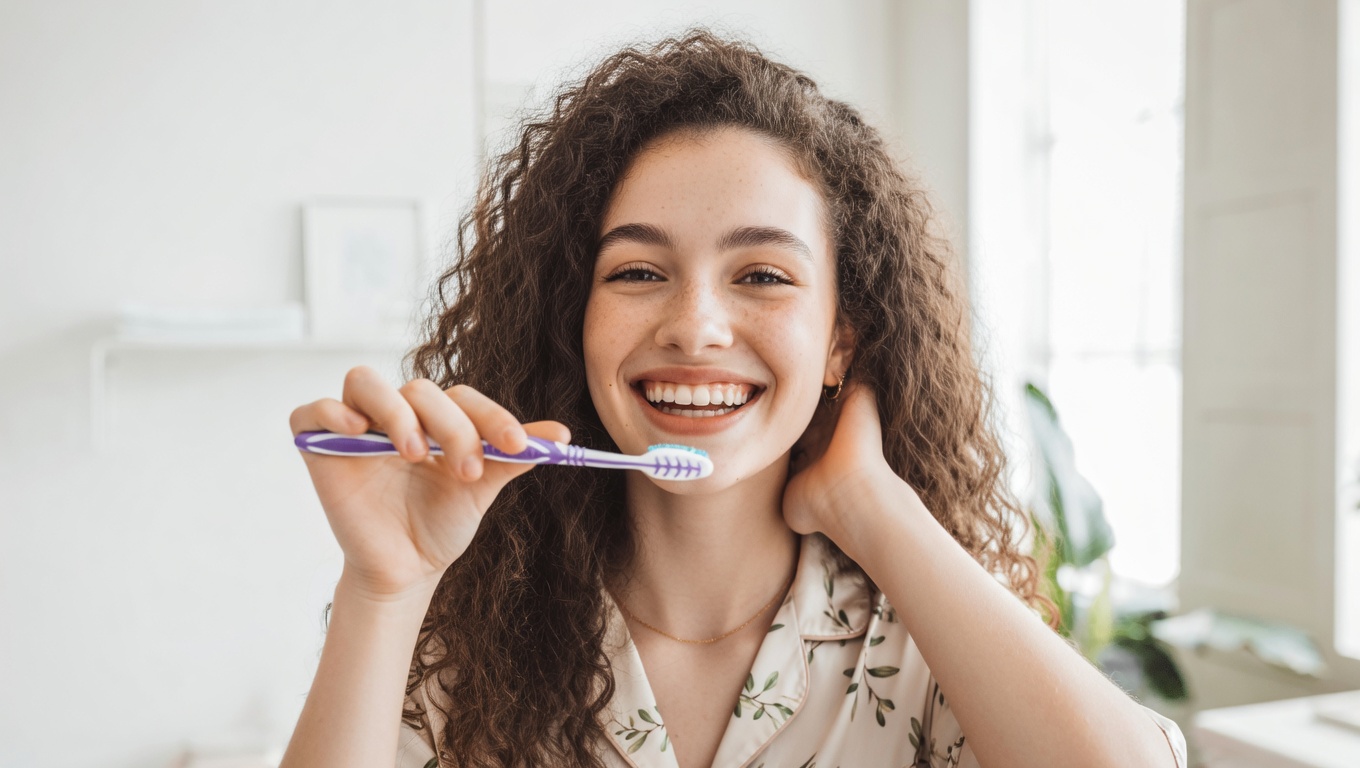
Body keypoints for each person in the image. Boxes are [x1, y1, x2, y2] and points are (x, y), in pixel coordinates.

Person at [279, 29, 1188, 768]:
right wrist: (384, 587)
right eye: (637, 271)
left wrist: (872, 506)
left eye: (760, 274)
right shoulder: (467, 642)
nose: (696, 325)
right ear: (575, 319)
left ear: (843, 339)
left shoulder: (925, 654)